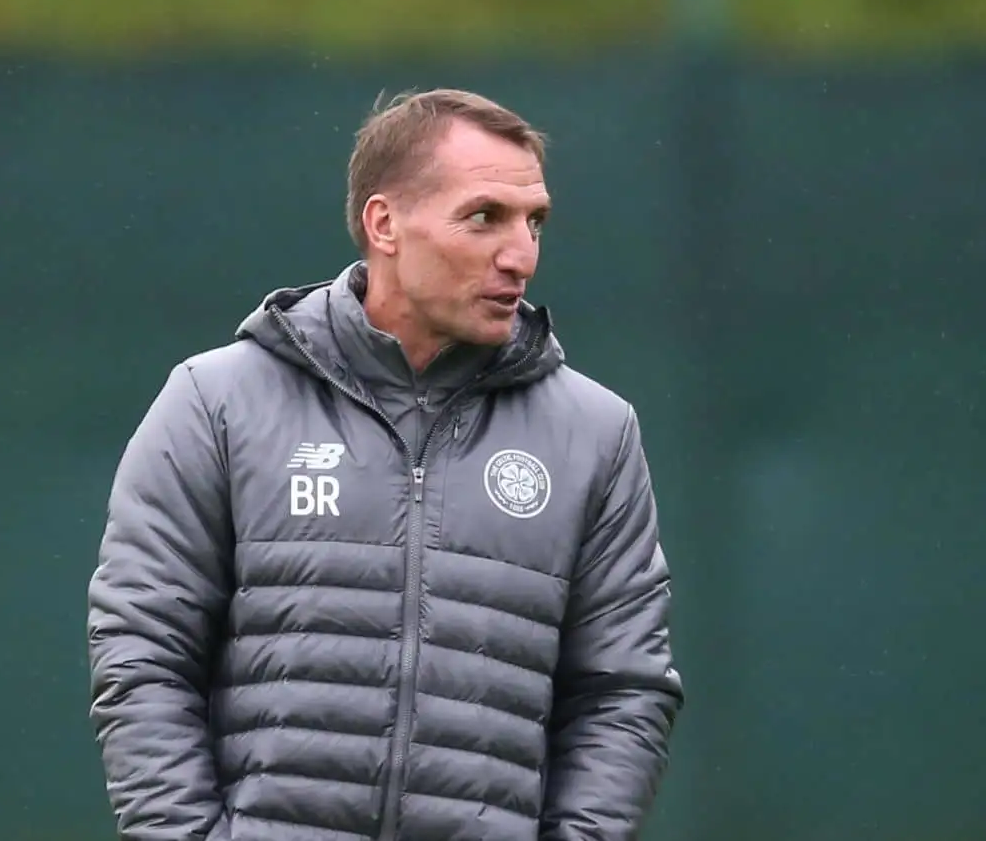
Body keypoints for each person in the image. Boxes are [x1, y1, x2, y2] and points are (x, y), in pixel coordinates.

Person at [87, 88, 684, 841]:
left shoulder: (596, 432)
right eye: (484, 217)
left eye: (535, 221)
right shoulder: (217, 401)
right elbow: (143, 656)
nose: (521, 254)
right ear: (384, 223)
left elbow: (622, 692)